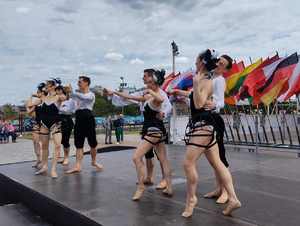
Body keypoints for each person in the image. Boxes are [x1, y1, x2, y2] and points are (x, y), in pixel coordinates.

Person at [181, 50, 240, 217]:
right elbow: (197, 98)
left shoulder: (217, 80)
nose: (218, 64)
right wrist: (185, 94)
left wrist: (210, 103)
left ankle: (199, 198)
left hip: (207, 121)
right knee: (217, 162)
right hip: (206, 122)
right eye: (218, 61)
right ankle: (230, 196)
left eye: (221, 64)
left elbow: (213, 102)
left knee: (191, 163)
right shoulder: (208, 78)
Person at [107, 69, 173, 201]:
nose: (145, 82)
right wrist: (114, 92)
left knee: (137, 157)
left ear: (153, 81)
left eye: (148, 80)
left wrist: (152, 95)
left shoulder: (156, 95)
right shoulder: (147, 95)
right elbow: (131, 97)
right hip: (155, 129)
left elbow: (162, 101)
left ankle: (141, 186)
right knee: (163, 159)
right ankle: (168, 186)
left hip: (153, 130)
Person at [29, 78, 66, 178]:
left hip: (56, 124)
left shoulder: (59, 97)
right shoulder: (43, 98)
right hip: (44, 124)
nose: (46, 87)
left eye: (48, 85)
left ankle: (53, 169)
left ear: (53, 86)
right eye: (45, 85)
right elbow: (30, 105)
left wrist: (66, 92)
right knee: (44, 146)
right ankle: (44, 166)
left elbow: (65, 97)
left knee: (57, 145)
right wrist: (32, 98)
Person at [66, 75, 103, 174]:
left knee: (93, 143)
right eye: (78, 82)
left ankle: (94, 161)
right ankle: (78, 166)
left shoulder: (91, 95)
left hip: (88, 118)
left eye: (80, 82)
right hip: (79, 118)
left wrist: (72, 92)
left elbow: (84, 98)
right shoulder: (76, 96)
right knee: (78, 143)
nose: (78, 83)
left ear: (86, 83)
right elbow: (71, 107)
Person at [26, 83, 46, 168]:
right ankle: (38, 159)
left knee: (43, 144)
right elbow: (29, 110)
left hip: (44, 124)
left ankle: (42, 161)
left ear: (42, 93)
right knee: (35, 142)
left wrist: (33, 98)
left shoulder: (44, 100)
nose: (37, 94)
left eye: (38, 92)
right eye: (37, 92)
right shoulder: (37, 102)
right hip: (37, 123)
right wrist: (31, 96)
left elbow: (29, 105)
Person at [56, 85, 76, 165]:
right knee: (58, 141)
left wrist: (70, 91)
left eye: (58, 90)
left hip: (67, 120)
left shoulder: (70, 100)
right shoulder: (56, 100)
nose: (57, 93)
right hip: (58, 121)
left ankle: (66, 157)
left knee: (65, 140)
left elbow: (70, 110)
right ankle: (61, 157)